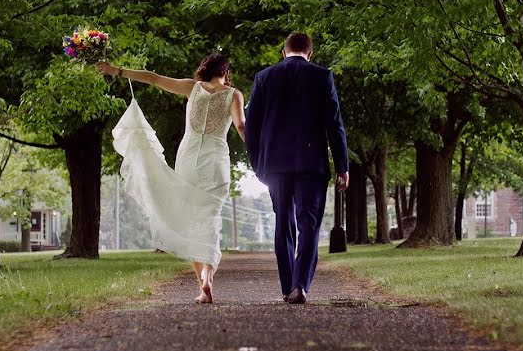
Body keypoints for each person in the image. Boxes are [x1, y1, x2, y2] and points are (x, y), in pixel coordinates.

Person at [98, 54, 246, 304]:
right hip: (215, 160)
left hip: (188, 158)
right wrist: (261, 153)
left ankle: (202, 285)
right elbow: (241, 126)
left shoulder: (192, 87)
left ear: (205, 69)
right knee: (210, 218)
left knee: (190, 219)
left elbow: (154, 79)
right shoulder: (234, 95)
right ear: (226, 72)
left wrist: (117, 71)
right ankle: (208, 276)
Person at [245, 33, 349, 305]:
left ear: (284, 52)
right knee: (309, 224)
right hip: (311, 163)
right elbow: (334, 124)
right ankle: (300, 285)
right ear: (310, 54)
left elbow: (251, 127)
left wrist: (258, 165)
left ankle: (286, 286)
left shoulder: (264, 77)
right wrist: (342, 166)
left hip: (275, 167)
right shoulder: (322, 76)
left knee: (284, 224)